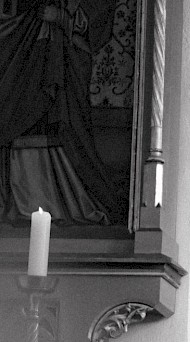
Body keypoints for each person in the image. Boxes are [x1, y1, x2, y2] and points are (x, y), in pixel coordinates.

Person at [0, 0, 123, 227]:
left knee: (61, 122)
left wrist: (62, 17)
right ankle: (23, 201)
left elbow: (98, 11)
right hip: (26, 49)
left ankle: (67, 203)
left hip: (64, 57)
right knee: (23, 115)